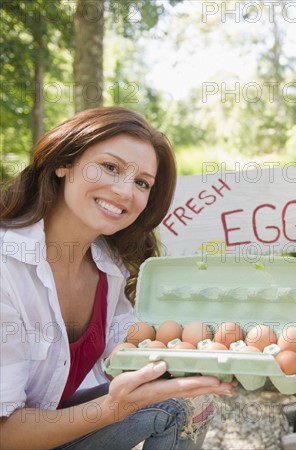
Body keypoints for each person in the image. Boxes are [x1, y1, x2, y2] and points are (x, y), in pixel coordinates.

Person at [0, 106, 235, 449]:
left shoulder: (107, 265)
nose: (126, 192)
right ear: (63, 163)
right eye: (110, 167)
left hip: (49, 425)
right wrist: (110, 409)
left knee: (192, 398)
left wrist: (212, 348)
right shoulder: (7, 267)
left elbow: (128, 355)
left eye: (142, 183)